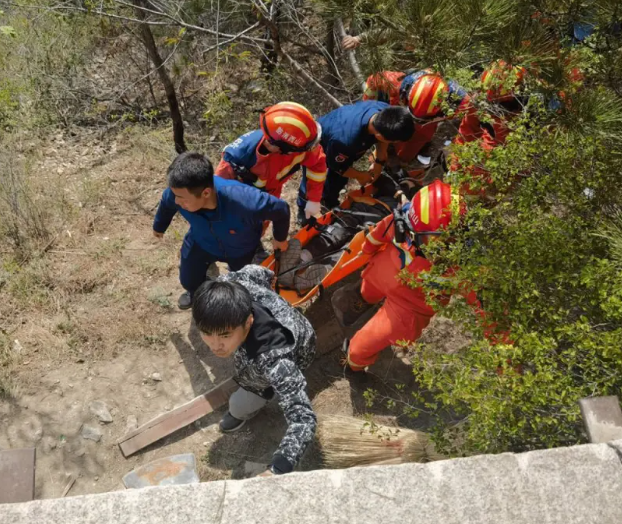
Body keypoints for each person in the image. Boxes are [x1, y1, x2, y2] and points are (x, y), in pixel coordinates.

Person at [332, 180, 485, 371]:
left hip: (407, 308)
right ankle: (365, 300)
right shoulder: (399, 223)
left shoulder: (464, 268)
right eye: (435, 239)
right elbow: (376, 236)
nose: (444, 247)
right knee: (366, 292)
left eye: (451, 239)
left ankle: (354, 364)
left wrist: (505, 350)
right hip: (380, 275)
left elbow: (486, 310)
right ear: (413, 230)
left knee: (358, 350)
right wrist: (367, 251)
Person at [192, 265, 317, 476]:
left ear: (249, 321)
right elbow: (257, 270)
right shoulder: (233, 284)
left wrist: (279, 467)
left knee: (238, 405)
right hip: (291, 322)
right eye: (206, 333)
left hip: (299, 346)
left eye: (224, 335)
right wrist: (270, 276)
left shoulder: (275, 362)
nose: (214, 346)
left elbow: (303, 419)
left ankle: (247, 407)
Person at [152, 152, 290, 310]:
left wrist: (280, 238)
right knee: (188, 280)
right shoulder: (177, 194)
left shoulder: (244, 201)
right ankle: (197, 293)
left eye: (181, 198)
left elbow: (281, 209)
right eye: (175, 195)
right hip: (200, 241)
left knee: (238, 287)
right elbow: (167, 204)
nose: (176, 201)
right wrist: (159, 226)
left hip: (241, 249)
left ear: (205, 193)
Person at [215, 102, 327, 221]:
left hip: (270, 197)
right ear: (277, 146)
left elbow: (317, 164)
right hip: (244, 204)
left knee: (262, 224)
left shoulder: (299, 142)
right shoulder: (237, 158)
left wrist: (314, 199)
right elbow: (216, 193)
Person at [297, 102, 415, 212]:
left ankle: (329, 201)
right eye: (394, 141)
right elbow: (337, 166)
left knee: (338, 180)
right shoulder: (347, 140)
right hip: (319, 143)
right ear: (379, 135)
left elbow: (383, 142)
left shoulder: (386, 112)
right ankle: (304, 210)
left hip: (341, 141)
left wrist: (379, 162)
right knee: (312, 180)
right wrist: (360, 175)